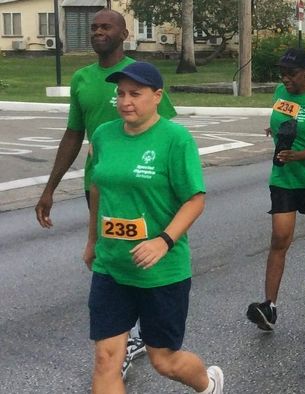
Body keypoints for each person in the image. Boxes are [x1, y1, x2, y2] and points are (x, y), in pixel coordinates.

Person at [34, 9, 177, 378]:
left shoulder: (138, 76)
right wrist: (50, 188)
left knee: (140, 261)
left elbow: (166, 132)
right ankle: (122, 337)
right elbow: (72, 134)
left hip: (143, 188)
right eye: (94, 27)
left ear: (124, 33)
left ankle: (138, 336)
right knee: (108, 260)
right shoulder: (82, 78)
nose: (98, 32)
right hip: (99, 188)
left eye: (105, 26)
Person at [85, 61, 222, 393]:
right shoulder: (104, 135)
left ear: (157, 96)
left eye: (135, 93)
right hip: (112, 265)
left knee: (164, 361)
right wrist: (92, 241)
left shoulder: (175, 139)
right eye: (120, 93)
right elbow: (98, 189)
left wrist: (163, 241)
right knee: (106, 359)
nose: (125, 101)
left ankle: (209, 383)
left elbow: (195, 200)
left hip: (161, 270)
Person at [245, 47, 305, 330]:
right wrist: (276, 132)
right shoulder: (279, 94)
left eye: (292, 74)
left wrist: (296, 155)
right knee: (280, 238)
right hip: (283, 178)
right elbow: (283, 123)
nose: (286, 79)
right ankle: (269, 306)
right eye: (282, 74)